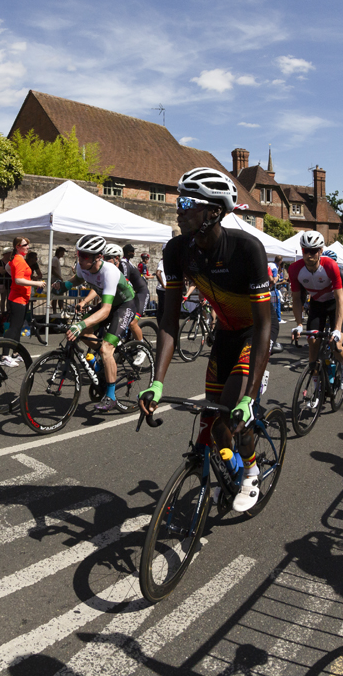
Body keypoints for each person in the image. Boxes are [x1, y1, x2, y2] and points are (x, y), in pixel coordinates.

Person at [138, 167, 272, 512]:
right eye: (178, 202)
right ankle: (224, 467)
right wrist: (156, 381)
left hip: (250, 339)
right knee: (212, 423)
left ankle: (252, 468)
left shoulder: (247, 248)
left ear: (213, 212)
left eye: (186, 203)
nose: (178, 210)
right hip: (223, 338)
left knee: (232, 417)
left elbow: (263, 326)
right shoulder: (177, 250)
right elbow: (168, 320)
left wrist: (251, 394)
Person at [52, 235, 137, 412]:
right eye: (78, 254)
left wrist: (81, 324)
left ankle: (111, 396)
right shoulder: (83, 267)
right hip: (109, 305)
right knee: (81, 333)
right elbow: (75, 281)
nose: (79, 259)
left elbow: (105, 311)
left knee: (106, 348)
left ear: (98, 257)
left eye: (84, 256)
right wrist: (61, 286)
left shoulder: (110, 272)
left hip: (124, 305)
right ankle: (102, 364)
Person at [289, 232, 343, 392]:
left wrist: (337, 328)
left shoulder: (330, 266)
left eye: (313, 250)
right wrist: (299, 324)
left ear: (320, 251)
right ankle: (316, 384)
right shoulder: (295, 269)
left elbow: (339, 299)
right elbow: (296, 299)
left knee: (336, 345)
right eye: (305, 250)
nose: (309, 254)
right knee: (312, 343)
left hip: (333, 304)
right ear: (302, 250)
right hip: (316, 305)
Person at [5, 236, 46, 348]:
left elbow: (8, 268)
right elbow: (18, 280)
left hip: (21, 297)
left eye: (28, 244)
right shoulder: (19, 260)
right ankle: (4, 356)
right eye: (25, 245)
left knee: (17, 327)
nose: (28, 247)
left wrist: (15, 277)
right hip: (18, 298)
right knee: (14, 327)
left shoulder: (18, 259)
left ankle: (15, 352)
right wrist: (36, 283)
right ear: (18, 247)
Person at [119, 243, 150, 348]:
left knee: (133, 323)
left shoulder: (125, 263)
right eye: (132, 252)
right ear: (128, 253)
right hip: (134, 293)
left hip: (142, 293)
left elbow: (126, 282)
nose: (134, 253)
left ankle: (142, 348)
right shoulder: (124, 263)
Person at [268, 256, 283, 353]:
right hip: (268, 291)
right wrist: (277, 276)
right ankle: (269, 342)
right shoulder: (272, 267)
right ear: (280, 261)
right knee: (272, 321)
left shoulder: (269, 265)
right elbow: (272, 280)